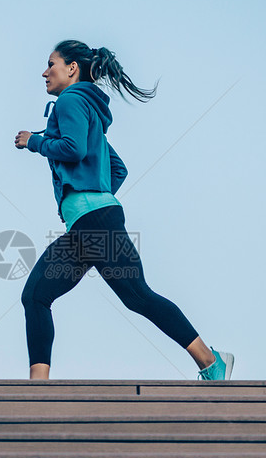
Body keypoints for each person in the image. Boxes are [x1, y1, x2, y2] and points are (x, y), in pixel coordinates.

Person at [14, 40, 233, 381]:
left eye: (51, 64)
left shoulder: (71, 100)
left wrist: (34, 141)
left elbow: (72, 149)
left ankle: (211, 362)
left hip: (93, 222)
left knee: (137, 295)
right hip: (88, 223)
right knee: (36, 296)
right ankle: (37, 389)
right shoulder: (90, 113)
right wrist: (97, 197)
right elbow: (118, 169)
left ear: (72, 68)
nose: (45, 72)